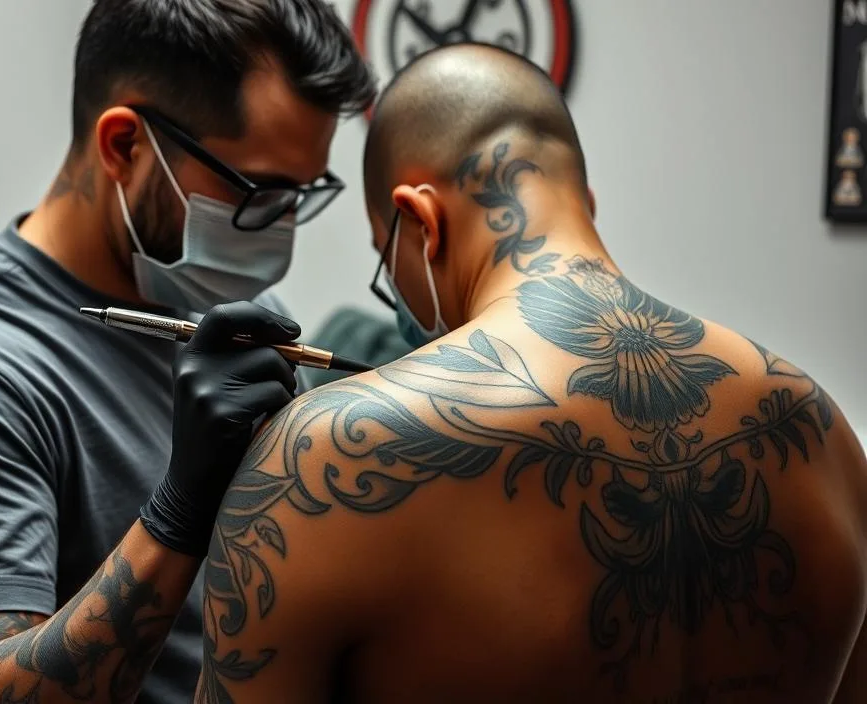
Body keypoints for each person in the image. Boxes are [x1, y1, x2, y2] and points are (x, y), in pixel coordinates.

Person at [195, 43, 867, 703]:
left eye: (385, 259)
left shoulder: (318, 459)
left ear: (419, 220)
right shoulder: (822, 433)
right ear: (586, 202)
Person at [0, 2, 375, 703]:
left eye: (301, 195)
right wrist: (178, 511)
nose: (280, 229)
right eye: (260, 193)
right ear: (126, 146)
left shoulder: (224, 309)